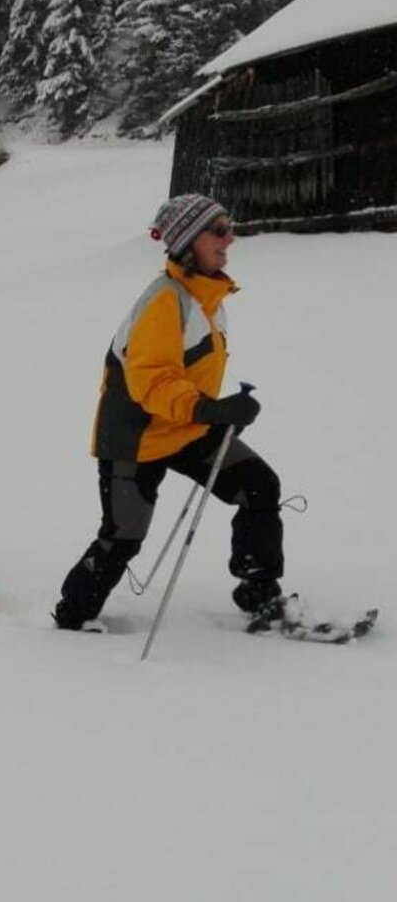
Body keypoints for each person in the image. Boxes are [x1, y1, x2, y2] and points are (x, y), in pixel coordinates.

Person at [55, 193, 287, 631]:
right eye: (218, 231)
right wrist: (210, 408)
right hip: (135, 439)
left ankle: (259, 593)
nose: (229, 240)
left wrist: (216, 410)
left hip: (187, 428)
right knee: (123, 537)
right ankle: (72, 617)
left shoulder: (205, 297)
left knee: (259, 486)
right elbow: (152, 380)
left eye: (229, 227)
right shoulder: (166, 300)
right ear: (188, 241)